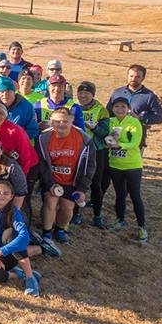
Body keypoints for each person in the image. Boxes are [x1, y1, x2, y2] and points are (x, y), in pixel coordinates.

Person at [36, 106, 95, 248]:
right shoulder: (44, 138)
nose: (61, 124)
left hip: (71, 179)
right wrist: (50, 183)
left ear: (72, 121)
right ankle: (47, 232)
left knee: (67, 207)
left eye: (64, 121)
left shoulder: (84, 139)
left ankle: (60, 229)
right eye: (57, 121)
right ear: (51, 121)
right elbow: (42, 164)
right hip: (52, 178)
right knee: (50, 201)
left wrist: (82, 189)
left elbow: (90, 166)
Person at [107, 96, 148, 242]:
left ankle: (142, 226)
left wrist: (120, 145)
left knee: (135, 195)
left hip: (132, 165)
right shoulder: (110, 122)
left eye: (123, 107)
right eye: (117, 107)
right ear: (112, 109)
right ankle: (119, 219)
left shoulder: (134, 122)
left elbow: (135, 143)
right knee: (120, 194)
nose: (120, 109)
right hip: (115, 164)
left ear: (128, 108)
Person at [77, 81, 112, 228]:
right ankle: (75, 213)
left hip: (96, 150)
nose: (83, 95)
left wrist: (96, 127)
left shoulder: (101, 110)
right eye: (80, 92)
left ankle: (97, 216)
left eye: (87, 93)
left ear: (93, 94)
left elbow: (106, 132)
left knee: (96, 184)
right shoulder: (74, 107)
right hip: (79, 150)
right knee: (77, 183)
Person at [107, 64, 162, 142]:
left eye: (137, 77)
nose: (133, 79)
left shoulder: (149, 96)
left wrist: (140, 118)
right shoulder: (117, 92)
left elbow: (159, 118)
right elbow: (108, 112)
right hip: (115, 136)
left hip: (136, 137)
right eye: (131, 76)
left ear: (143, 78)